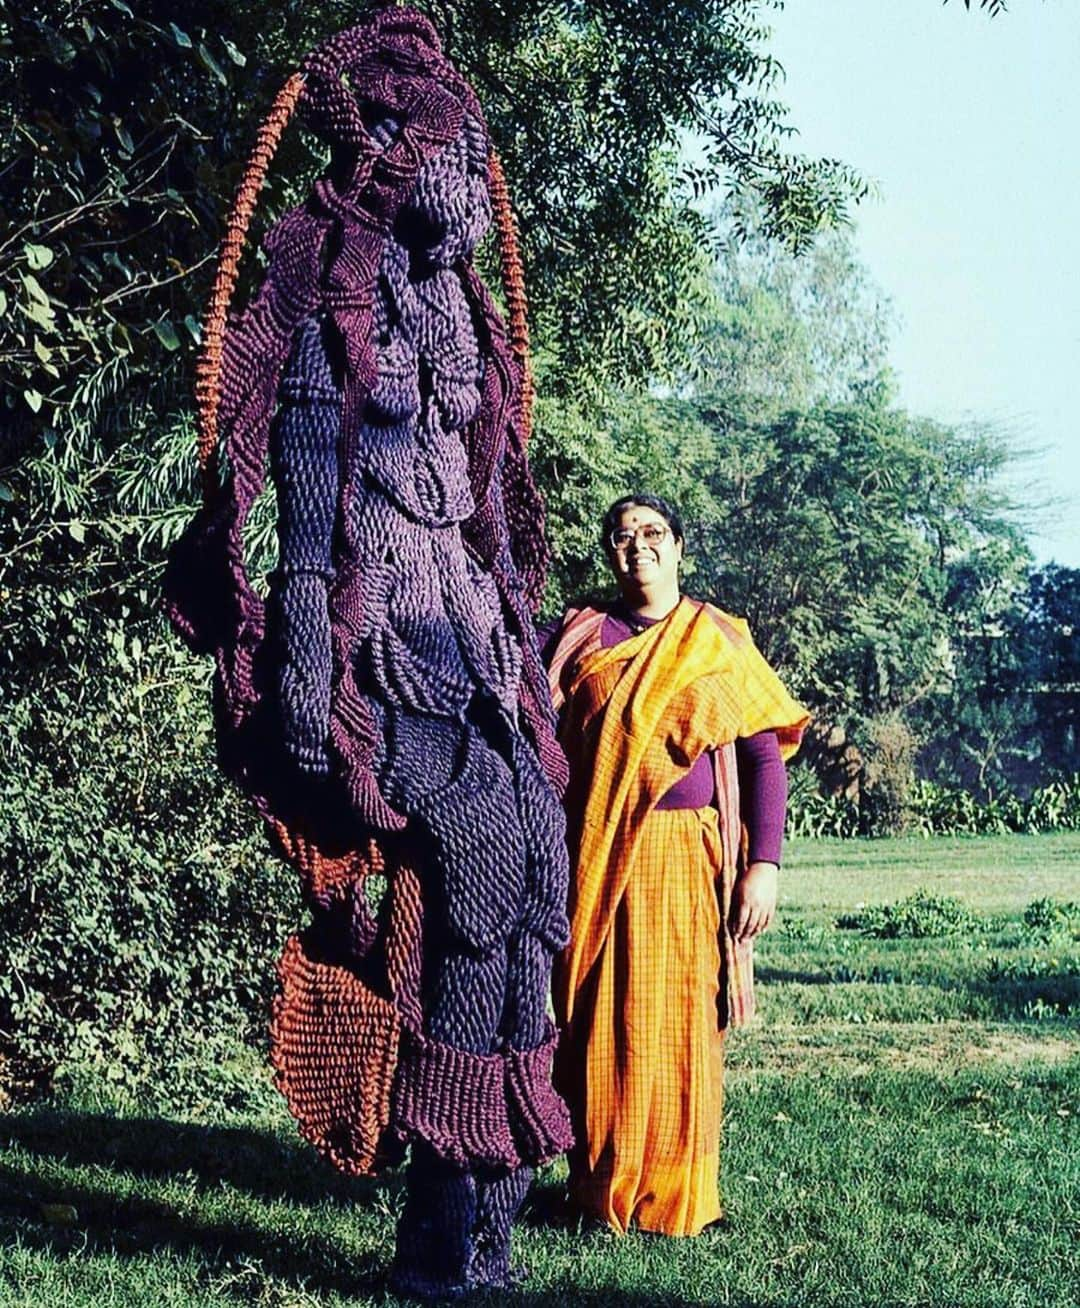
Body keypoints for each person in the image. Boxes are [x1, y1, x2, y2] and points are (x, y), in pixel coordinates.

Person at [542, 493, 808, 1237]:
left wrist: (765, 863)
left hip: (693, 856)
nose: (638, 546)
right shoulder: (582, 639)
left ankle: (686, 1201)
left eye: (652, 532)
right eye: (622, 536)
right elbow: (538, 740)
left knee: (688, 1020)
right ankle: (599, 1196)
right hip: (598, 858)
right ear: (610, 555)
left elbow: (762, 757)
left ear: (679, 547)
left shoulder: (717, 638)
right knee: (602, 1020)